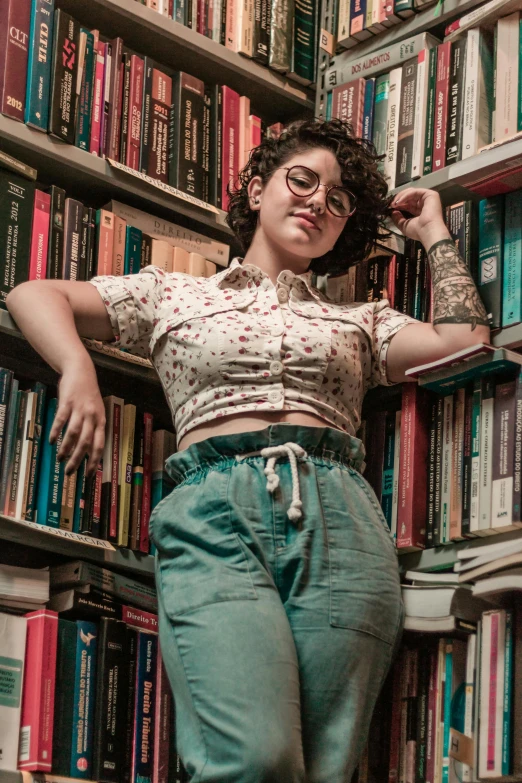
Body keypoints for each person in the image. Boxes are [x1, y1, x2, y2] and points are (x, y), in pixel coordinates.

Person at [6, 118, 490, 783]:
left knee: (325, 769)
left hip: (341, 523)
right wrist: (77, 369)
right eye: (303, 179)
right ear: (258, 190)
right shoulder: (173, 293)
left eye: (340, 198)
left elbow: (464, 340)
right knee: (253, 759)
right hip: (213, 515)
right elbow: (34, 293)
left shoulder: (362, 320)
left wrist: (432, 231)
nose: (320, 200)